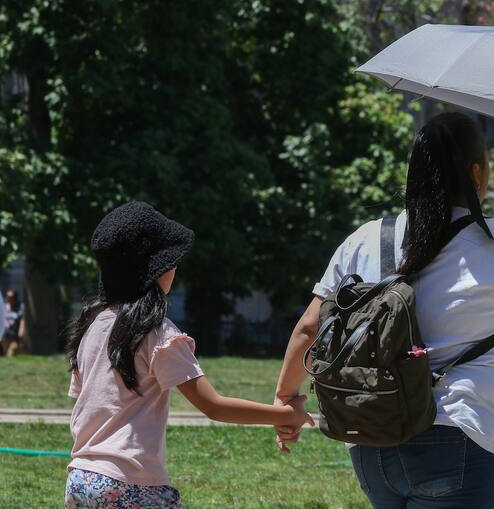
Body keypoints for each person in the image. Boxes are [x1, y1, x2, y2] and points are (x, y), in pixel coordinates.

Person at [273, 112, 494, 508]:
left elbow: (310, 327)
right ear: (476, 173)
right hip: (459, 436)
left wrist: (285, 397)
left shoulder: (367, 237)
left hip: (371, 439)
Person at [64, 201, 313, 509]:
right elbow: (214, 406)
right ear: (155, 270)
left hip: (81, 480)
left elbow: (87, 401)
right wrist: (288, 415)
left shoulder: (90, 326)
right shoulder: (157, 333)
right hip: (131, 484)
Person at [2, 289, 25, 357]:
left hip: (15, 335)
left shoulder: (20, 307)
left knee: (11, 352)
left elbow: (22, 320)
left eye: (11, 297)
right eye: (7, 296)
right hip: (5, 335)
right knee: (5, 353)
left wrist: (21, 331)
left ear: (15, 297)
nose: (9, 298)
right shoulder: (4, 307)